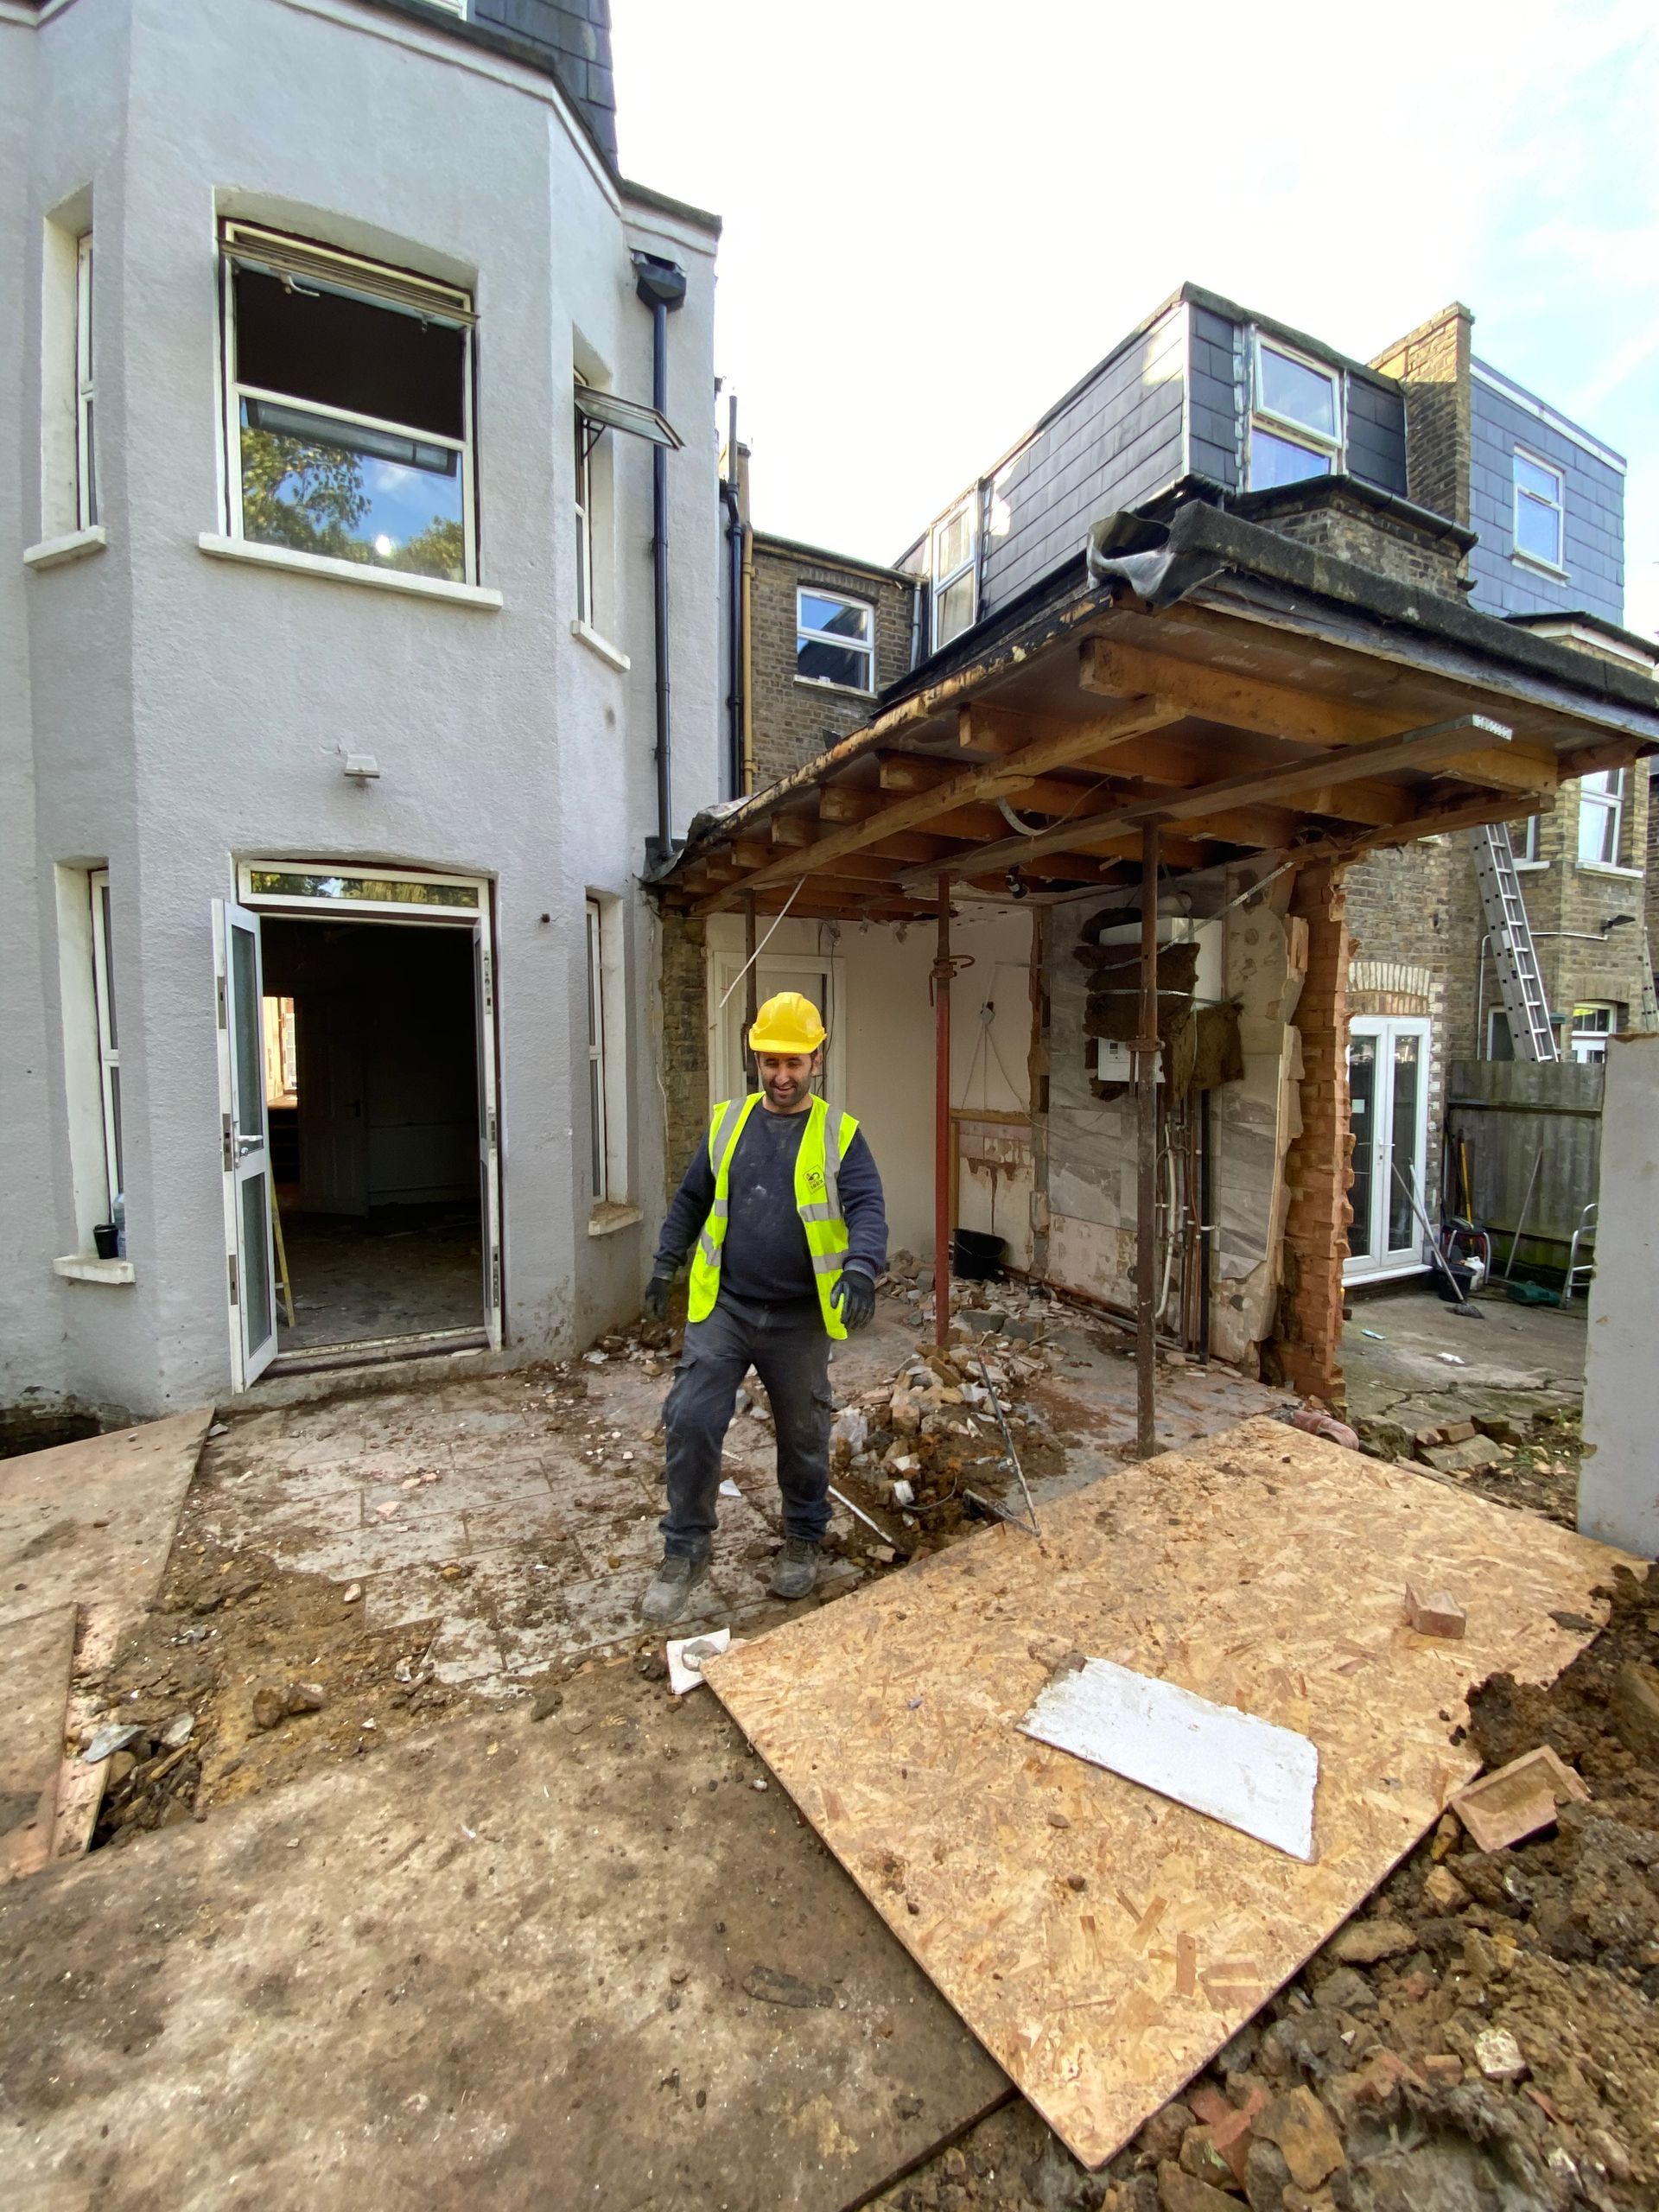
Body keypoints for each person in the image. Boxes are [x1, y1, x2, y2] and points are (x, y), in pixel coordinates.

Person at [639, 990, 887, 1624]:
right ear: (756, 1059)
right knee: (692, 1418)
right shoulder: (727, 1123)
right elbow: (692, 1200)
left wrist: (861, 1268)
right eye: (771, 1062)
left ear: (817, 1059)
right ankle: (685, 1550)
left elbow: (866, 1210)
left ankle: (803, 1539)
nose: (781, 1076)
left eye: (794, 1063)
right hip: (726, 1306)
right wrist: (667, 1261)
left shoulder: (841, 1134)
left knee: (804, 1434)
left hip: (799, 1317)